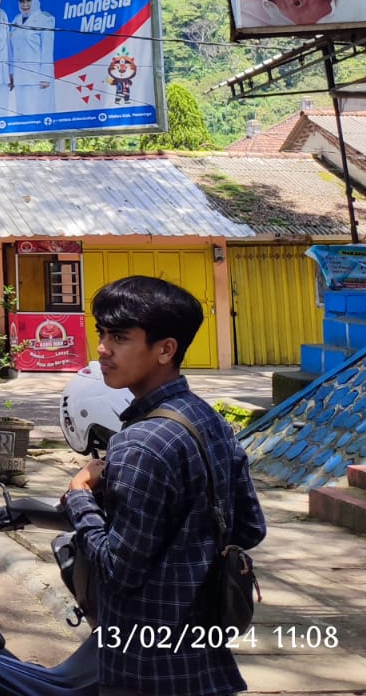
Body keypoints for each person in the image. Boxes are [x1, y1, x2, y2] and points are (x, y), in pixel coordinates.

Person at [62, 276, 265, 696]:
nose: (102, 348)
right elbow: (249, 528)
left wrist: (81, 496)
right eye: (102, 333)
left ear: (165, 349)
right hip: (205, 659)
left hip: (145, 668)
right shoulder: (208, 419)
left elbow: (118, 569)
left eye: (119, 337)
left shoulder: (140, 444)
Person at [10, 0, 56, 116]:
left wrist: (45, 77)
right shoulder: (16, 20)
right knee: (22, 116)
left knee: (39, 116)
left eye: (28, 0)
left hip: (37, 79)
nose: (25, 5)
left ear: (35, 0)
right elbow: (13, 51)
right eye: (22, 1)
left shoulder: (45, 19)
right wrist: (12, 73)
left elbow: (47, 50)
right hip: (20, 78)